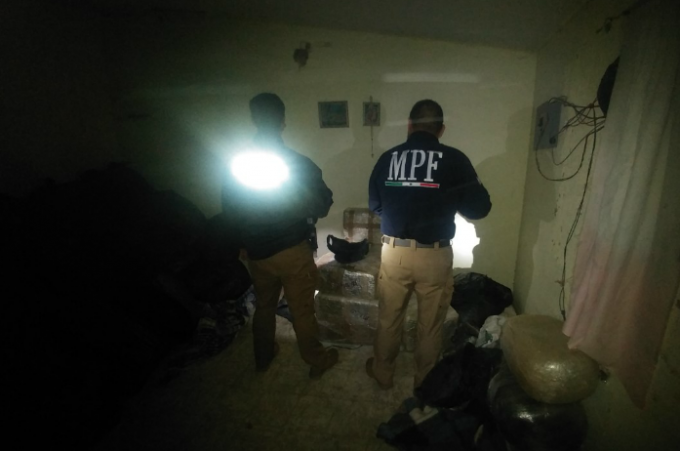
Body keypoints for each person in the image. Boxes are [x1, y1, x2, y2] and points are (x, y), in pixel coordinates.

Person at [366, 99, 491, 389]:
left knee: (389, 318)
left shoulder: (388, 158)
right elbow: (479, 209)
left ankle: (383, 373)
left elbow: (375, 205)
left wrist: (401, 218)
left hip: (394, 253)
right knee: (430, 324)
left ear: (409, 125)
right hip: (434, 256)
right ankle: (424, 383)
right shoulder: (455, 160)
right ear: (441, 129)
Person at [222, 93, 338, 379]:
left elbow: (230, 210)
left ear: (254, 119)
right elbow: (322, 204)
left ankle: (262, 358)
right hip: (292, 251)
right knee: (302, 310)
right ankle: (316, 360)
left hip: (257, 253)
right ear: (283, 121)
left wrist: (241, 244)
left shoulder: (237, 166)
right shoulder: (298, 163)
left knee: (264, 306)